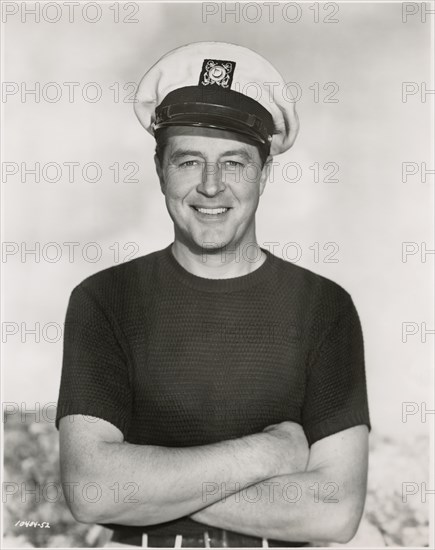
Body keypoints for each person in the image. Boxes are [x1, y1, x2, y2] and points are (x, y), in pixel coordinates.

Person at [55, 42, 371, 548]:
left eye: (234, 163)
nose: (210, 186)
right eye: (187, 161)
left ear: (264, 175)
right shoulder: (105, 298)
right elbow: (93, 490)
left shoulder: (324, 307)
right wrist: (272, 454)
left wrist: (149, 488)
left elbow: (333, 513)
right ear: (160, 171)